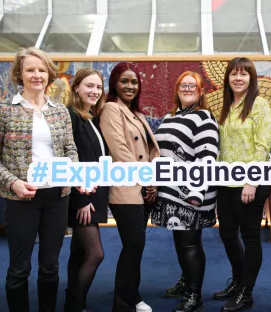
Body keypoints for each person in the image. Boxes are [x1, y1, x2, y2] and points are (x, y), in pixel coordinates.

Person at [0, 47, 78, 312]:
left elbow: (70, 150)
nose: (37, 75)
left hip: (57, 197)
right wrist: (12, 182)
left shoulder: (60, 112)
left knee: (50, 266)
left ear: (49, 74)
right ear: (19, 74)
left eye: (42, 69)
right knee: (19, 268)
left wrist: (78, 174)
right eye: (30, 70)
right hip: (20, 198)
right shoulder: (3, 110)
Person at [151, 71, 219, 312]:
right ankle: (186, 280)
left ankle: (194, 296)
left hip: (193, 195)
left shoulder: (204, 118)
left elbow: (207, 158)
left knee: (190, 244)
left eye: (193, 86)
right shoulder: (170, 117)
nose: (188, 89)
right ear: (177, 89)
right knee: (181, 241)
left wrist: (196, 192)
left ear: (201, 92)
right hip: (171, 192)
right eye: (183, 85)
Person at [214, 57, 271, 311]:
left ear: (252, 78)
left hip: (251, 183)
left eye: (244, 74)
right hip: (225, 182)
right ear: (227, 78)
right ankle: (238, 281)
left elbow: (263, 146)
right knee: (227, 234)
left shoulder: (259, 106)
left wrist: (252, 180)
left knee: (250, 237)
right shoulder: (227, 106)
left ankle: (246, 293)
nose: (238, 78)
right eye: (234, 74)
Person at [99, 62, 160, 312]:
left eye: (134, 82)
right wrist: (146, 178)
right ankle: (122, 304)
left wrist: (152, 181)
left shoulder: (138, 114)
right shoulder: (111, 109)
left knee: (137, 246)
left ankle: (132, 296)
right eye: (124, 81)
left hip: (144, 188)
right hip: (126, 188)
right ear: (114, 83)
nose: (130, 86)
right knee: (133, 245)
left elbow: (149, 150)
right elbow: (120, 151)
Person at [64, 68, 109, 312]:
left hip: (94, 196)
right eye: (89, 86)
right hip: (81, 197)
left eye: (98, 87)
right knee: (96, 254)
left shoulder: (91, 117)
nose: (94, 91)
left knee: (79, 252)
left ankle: (73, 299)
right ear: (76, 88)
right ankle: (75, 305)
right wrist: (80, 198)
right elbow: (71, 159)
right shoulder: (71, 116)